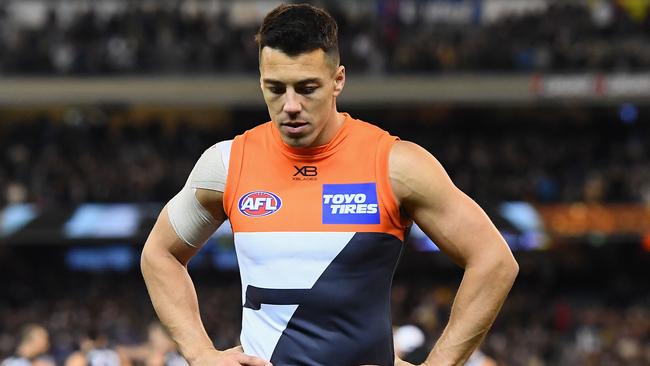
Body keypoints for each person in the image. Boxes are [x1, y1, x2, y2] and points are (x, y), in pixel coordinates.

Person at [141, 3, 519, 366]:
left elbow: (493, 260)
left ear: (338, 80)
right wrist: (200, 353)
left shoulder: (394, 165)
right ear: (260, 81)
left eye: (306, 88)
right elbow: (160, 254)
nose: (290, 105)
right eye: (275, 88)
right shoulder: (225, 165)